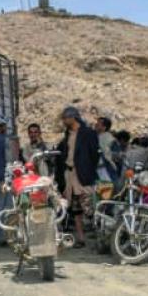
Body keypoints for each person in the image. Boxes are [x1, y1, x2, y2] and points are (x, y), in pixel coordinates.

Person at [56, 106, 100, 247]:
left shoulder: (88, 133)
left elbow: (94, 155)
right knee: (75, 208)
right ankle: (81, 238)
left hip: (83, 175)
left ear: (72, 118)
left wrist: (87, 170)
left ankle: (100, 238)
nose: (63, 121)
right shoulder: (67, 135)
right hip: (70, 175)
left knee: (89, 207)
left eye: (65, 118)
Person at [94, 117, 118, 183]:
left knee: (106, 190)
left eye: (98, 124)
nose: (95, 125)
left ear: (104, 127)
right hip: (95, 170)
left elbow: (115, 155)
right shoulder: (95, 137)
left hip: (105, 170)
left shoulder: (110, 139)